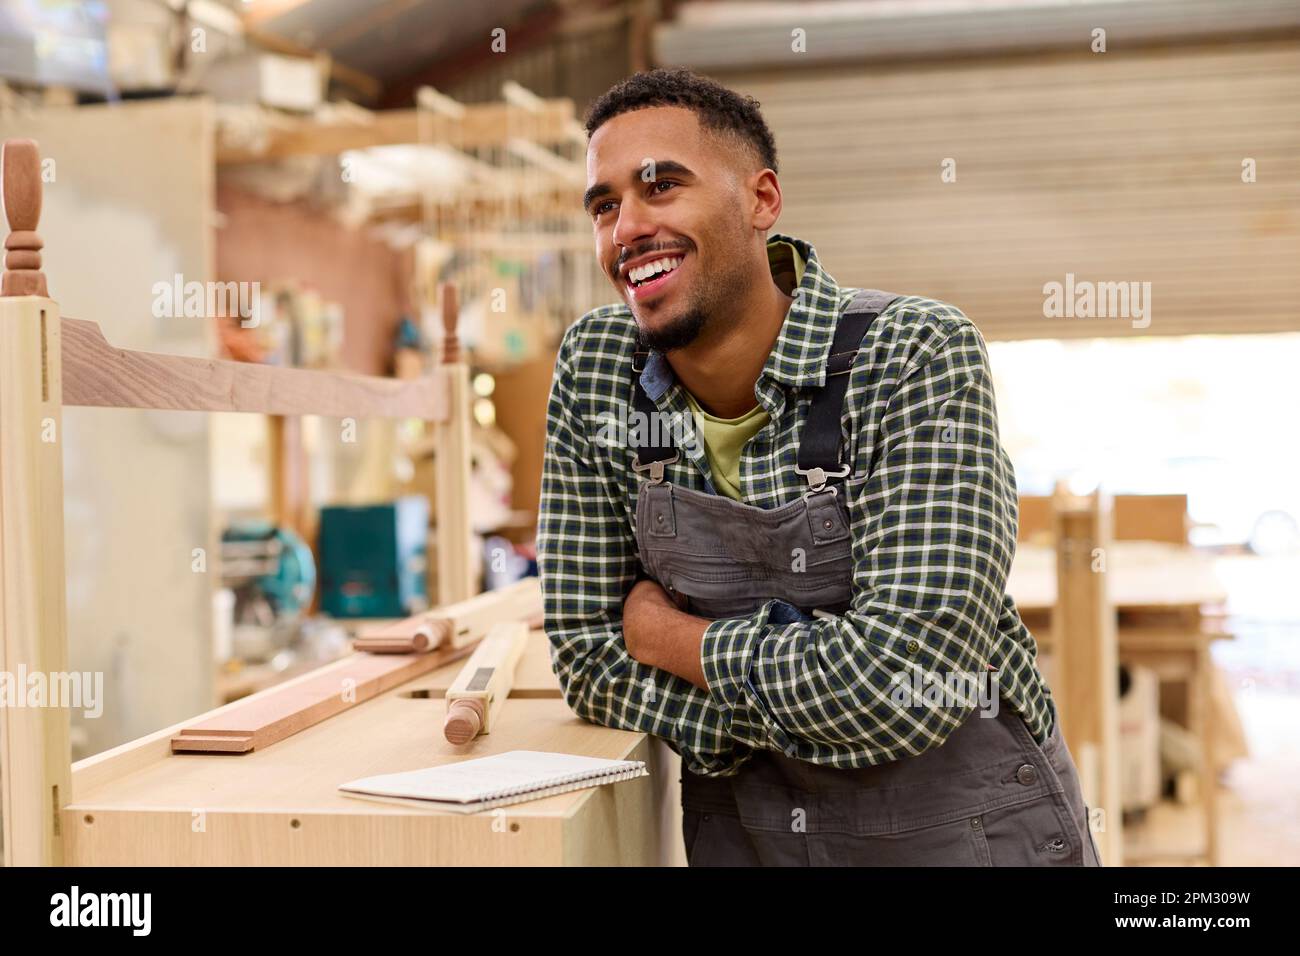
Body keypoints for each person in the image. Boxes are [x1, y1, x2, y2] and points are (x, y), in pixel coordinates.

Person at [537, 67, 1101, 866]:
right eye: (604, 205)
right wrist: (810, 700)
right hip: (749, 841)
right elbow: (588, 657)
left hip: (965, 832)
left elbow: (908, 681)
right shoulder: (599, 368)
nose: (626, 227)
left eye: (661, 187)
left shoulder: (912, 354)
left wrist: (673, 639)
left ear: (761, 200)